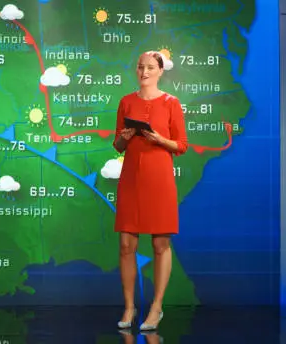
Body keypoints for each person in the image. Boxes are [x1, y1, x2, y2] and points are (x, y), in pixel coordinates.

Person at [112, 51, 188, 331]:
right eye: (140, 67)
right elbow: (117, 146)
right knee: (126, 245)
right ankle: (130, 307)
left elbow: (181, 145)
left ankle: (156, 308)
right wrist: (124, 137)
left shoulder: (171, 103)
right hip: (131, 179)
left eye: (150, 67)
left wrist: (159, 139)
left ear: (160, 71)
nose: (144, 71)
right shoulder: (126, 102)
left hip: (159, 180)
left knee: (160, 245)